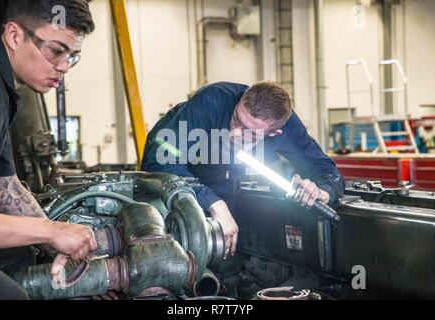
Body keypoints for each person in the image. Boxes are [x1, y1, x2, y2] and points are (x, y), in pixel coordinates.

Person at [142, 81, 345, 260]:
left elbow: (327, 171)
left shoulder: (290, 129)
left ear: (274, 133)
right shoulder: (210, 102)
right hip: (174, 162)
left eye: (249, 131)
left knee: (223, 249)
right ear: (240, 102)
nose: (235, 132)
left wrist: (322, 191)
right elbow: (161, 163)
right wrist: (215, 204)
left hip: (222, 175)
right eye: (237, 118)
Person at [0, 0, 96, 300]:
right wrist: (52, 233)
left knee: (22, 256)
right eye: (56, 50)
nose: (63, 66)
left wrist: (53, 242)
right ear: (14, 36)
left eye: (72, 56)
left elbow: (3, 186)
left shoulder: (1, 90)